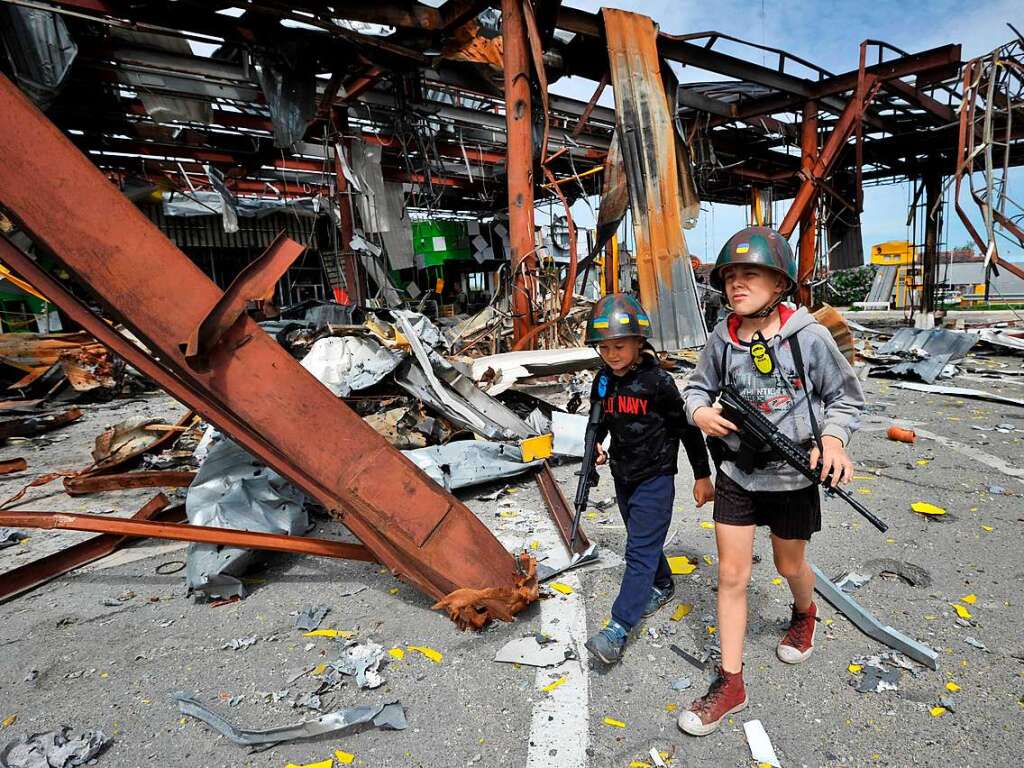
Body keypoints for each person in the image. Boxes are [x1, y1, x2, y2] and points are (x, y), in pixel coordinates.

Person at [677, 226, 864, 736]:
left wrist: (833, 442)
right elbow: (696, 387)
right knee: (731, 575)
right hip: (738, 472)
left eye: (751, 274)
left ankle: (805, 613)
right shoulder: (724, 335)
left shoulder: (809, 336)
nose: (737, 285)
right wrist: (699, 414)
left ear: (780, 283)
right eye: (731, 276)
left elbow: (846, 399)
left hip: (792, 476)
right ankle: (730, 682)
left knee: (790, 564)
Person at [583, 293, 715, 664]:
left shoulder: (658, 383)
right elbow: (599, 424)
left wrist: (702, 475)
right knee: (643, 540)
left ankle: (617, 628)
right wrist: (594, 449)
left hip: (656, 477)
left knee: (638, 551)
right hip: (623, 475)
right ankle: (663, 584)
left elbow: (688, 431)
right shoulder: (604, 382)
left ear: (640, 341)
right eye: (604, 347)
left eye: (620, 345)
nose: (611, 354)